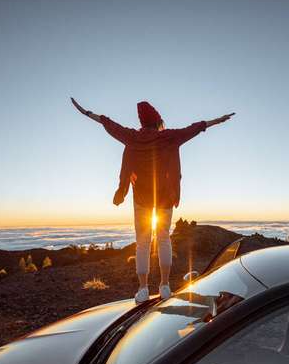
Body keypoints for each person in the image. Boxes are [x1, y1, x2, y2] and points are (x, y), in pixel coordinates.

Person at [71, 97, 234, 303]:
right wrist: (218, 120)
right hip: (165, 198)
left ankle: (143, 289)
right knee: (164, 239)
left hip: (142, 199)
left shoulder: (132, 137)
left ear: (142, 122)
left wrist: (86, 112)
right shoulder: (169, 137)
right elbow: (194, 128)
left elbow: (108, 124)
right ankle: (165, 286)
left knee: (142, 244)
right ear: (157, 121)